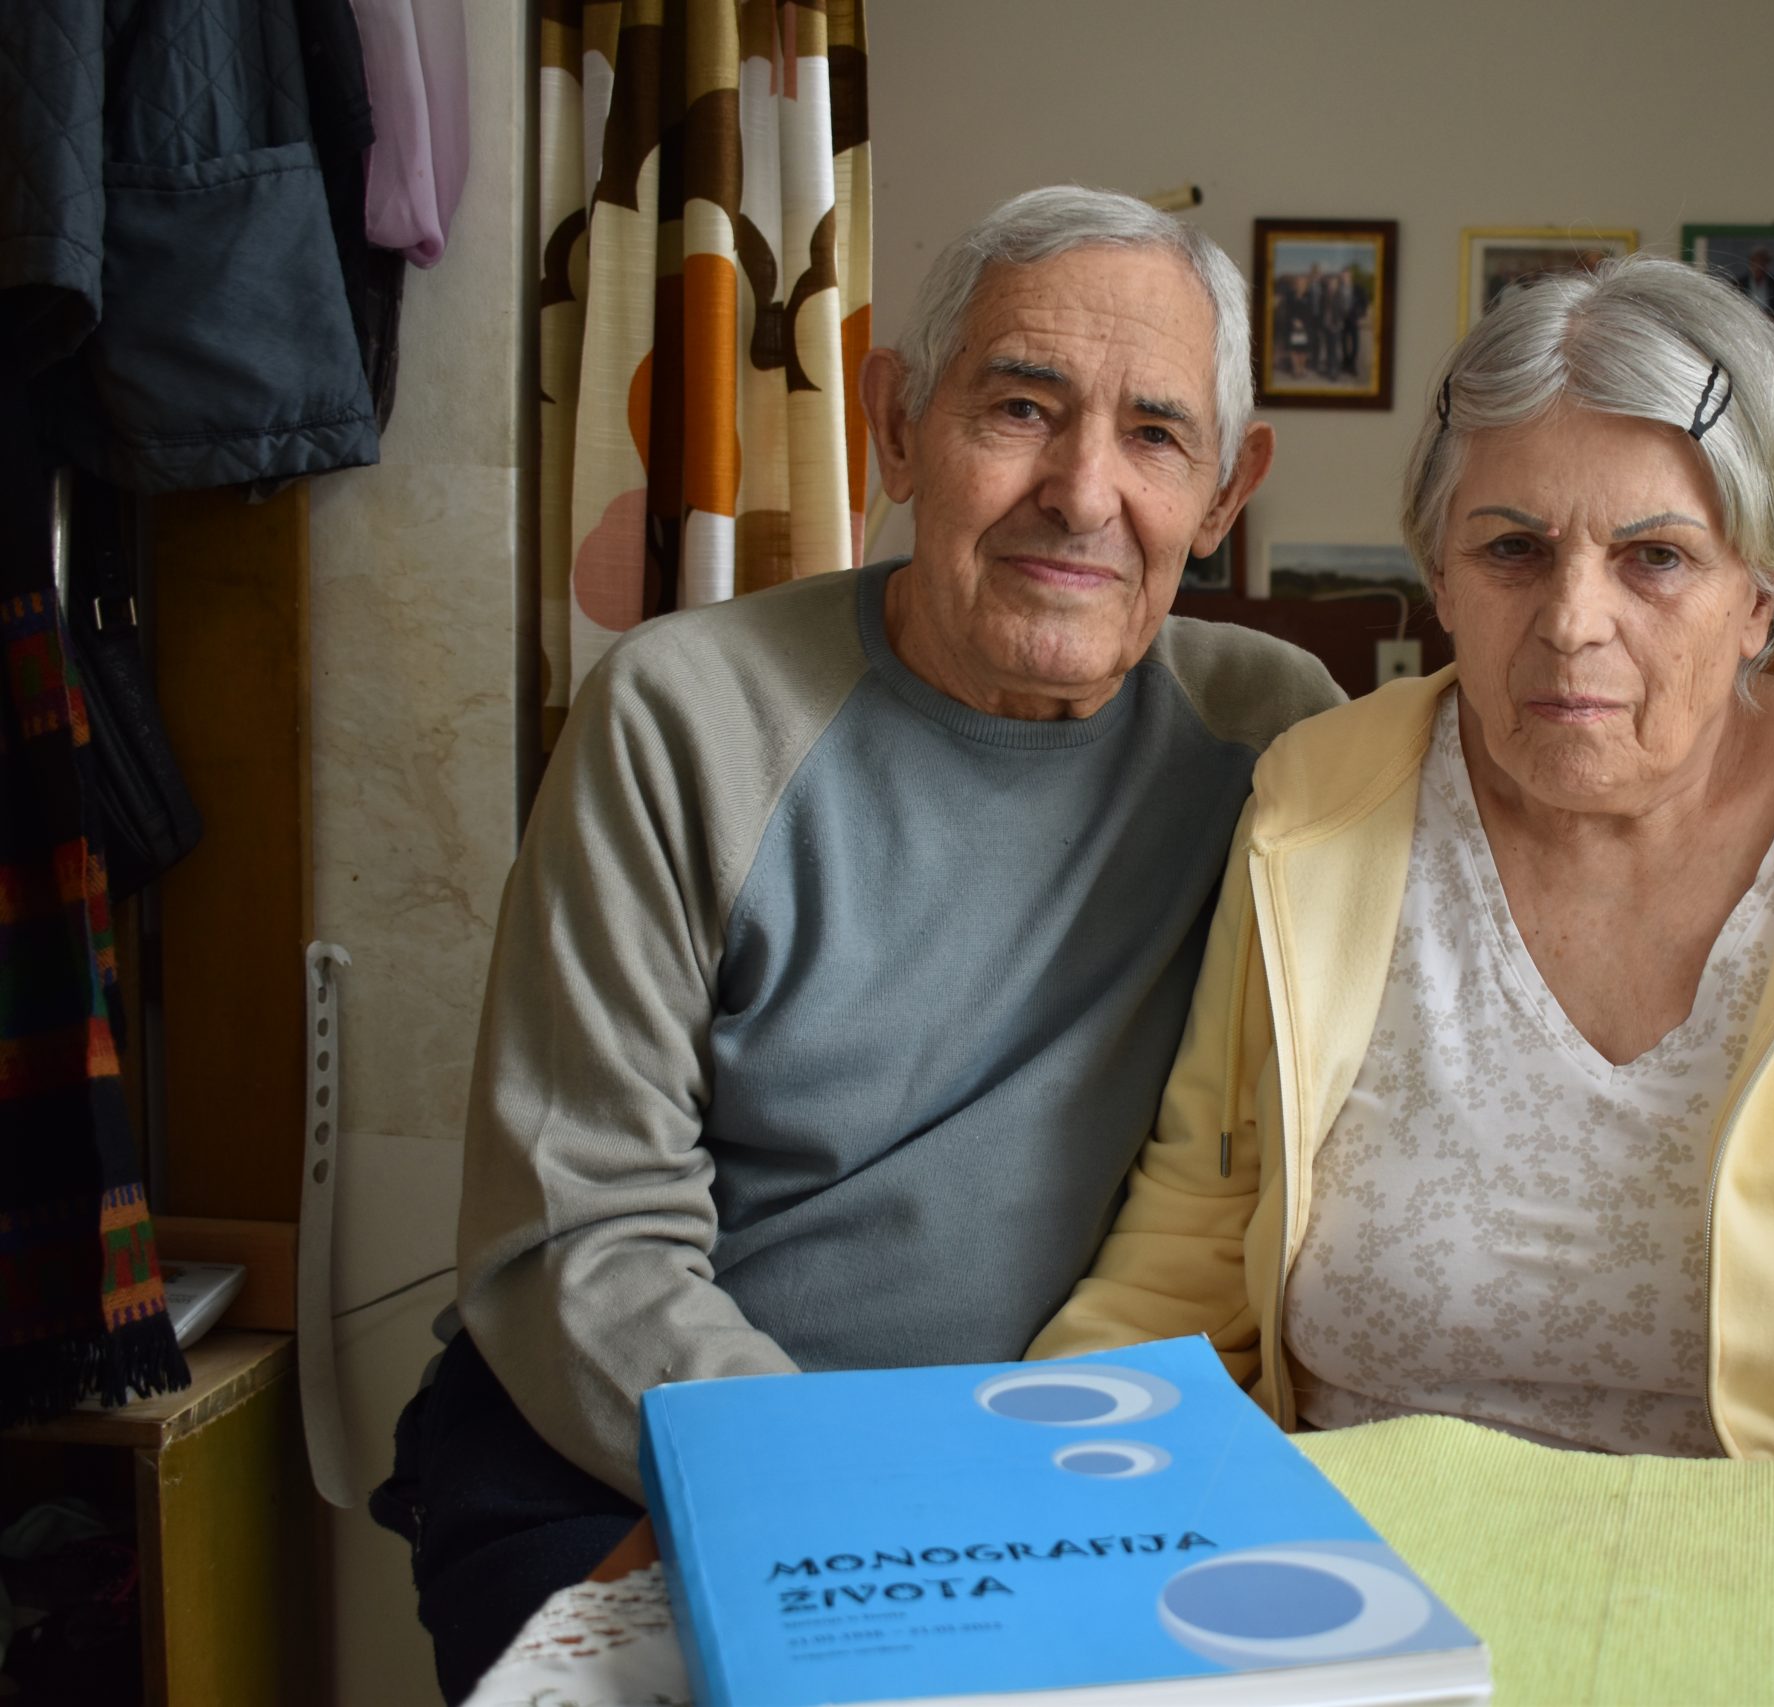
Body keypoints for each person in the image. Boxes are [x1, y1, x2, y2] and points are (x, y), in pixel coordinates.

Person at [371, 186, 1342, 1700]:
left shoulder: (1281, 743)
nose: (1082, 493)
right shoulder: (684, 718)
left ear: (1225, 495)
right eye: (1020, 408)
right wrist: (866, 1499)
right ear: (895, 426)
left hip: (1054, 1487)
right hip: (640, 1450)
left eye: (1157, 435)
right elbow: (579, 1235)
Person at [1034, 255, 1774, 1477]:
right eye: (1512, 550)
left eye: (1655, 558)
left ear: (1763, 595)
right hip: (1358, 1547)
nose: (1572, 621)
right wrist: (1038, 1482)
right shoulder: (1315, 809)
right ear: (1441, 577)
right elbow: (1189, 1245)